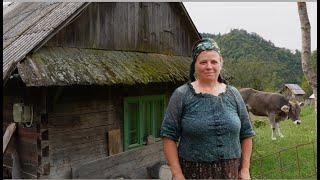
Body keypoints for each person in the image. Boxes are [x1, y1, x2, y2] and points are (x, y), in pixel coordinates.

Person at [160, 38, 255, 179]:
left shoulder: (234, 94)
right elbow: (168, 136)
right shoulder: (182, 95)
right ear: (195, 65)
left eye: (214, 62)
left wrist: (245, 169)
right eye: (203, 62)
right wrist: (177, 173)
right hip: (193, 173)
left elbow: (246, 134)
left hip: (231, 173)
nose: (209, 66)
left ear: (221, 64)